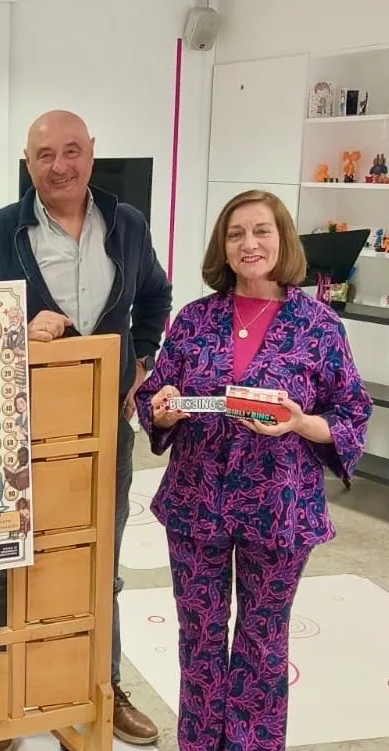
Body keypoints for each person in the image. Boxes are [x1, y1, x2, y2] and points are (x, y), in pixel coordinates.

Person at [0, 110, 171, 749]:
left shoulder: (128, 226)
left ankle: (102, 684)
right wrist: (17, 335)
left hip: (105, 429)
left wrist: (141, 359)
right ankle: (3, 701)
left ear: (92, 154)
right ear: (28, 163)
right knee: (6, 562)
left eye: (72, 151)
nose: (60, 166)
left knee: (98, 560)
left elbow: (154, 296)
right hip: (15, 435)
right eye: (45, 155)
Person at [135, 190, 371, 751]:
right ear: (223, 245)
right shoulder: (194, 320)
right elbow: (154, 396)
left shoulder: (319, 326)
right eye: (236, 233)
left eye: (262, 231)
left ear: (283, 239)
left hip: (280, 508)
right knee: (199, 639)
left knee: (263, 644)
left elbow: (352, 413)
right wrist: (161, 408)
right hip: (196, 504)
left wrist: (300, 423)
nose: (249, 244)